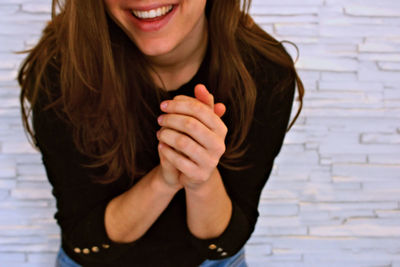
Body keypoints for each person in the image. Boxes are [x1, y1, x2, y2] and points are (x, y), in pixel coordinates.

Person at [18, 0, 304, 266]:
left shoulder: (263, 72)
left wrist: (200, 179)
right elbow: (84, 238)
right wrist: (165, 179)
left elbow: (225, 242)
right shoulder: (62, 69)